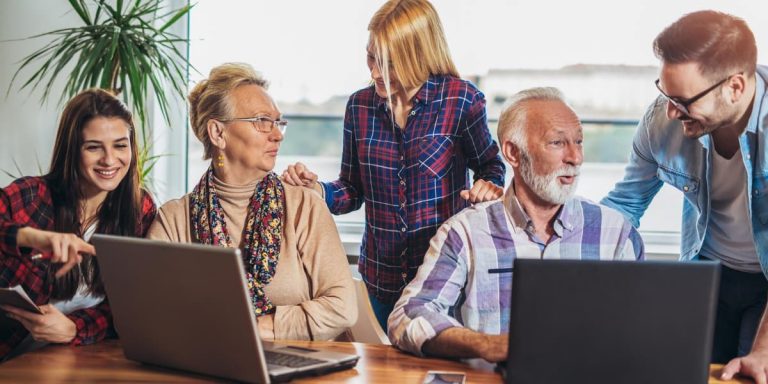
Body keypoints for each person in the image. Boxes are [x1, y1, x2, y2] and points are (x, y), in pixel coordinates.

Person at [281, 0, 506, 330]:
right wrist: (317, 190)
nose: (374, 72)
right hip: (380, 280)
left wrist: (488, 186)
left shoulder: (461, 101)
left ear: (418, 55)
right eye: (371, 56)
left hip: (443, 282)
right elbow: (353, 189)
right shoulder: (359, 106)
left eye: (389, 62)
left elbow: (491, 166)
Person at [388, 87, 644, 362]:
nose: (575, 158)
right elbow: (407, 315)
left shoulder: (618, 234)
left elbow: (644, 331)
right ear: (512, 152)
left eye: (578, 142)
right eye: (557, 143)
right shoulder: (464, 233)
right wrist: (486, 345)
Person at [599, 11, 768, 381]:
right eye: (665, 92)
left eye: (682, 100)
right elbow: (626, 204)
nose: (671, 111)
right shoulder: (662, 119)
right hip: (706, 271)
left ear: (735, 87)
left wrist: (764, 350)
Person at [146, 63, 356, 341]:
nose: (277, 134)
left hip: (301, 367)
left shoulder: (304, 207)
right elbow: (153, 312)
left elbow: (342, 307)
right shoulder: (173, 221)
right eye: (262, 121)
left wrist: (264, 327)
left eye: (278, 122)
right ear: (218, 133)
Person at [0, 89, 157, 360]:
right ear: (73, 149)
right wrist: (30, 237)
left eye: (120, 145)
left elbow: (130, 306)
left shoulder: (139, 209)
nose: (109, 160)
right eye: (93, 147)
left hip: (74, 357)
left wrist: (74, 328)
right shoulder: (32, 195)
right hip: (10, 355)